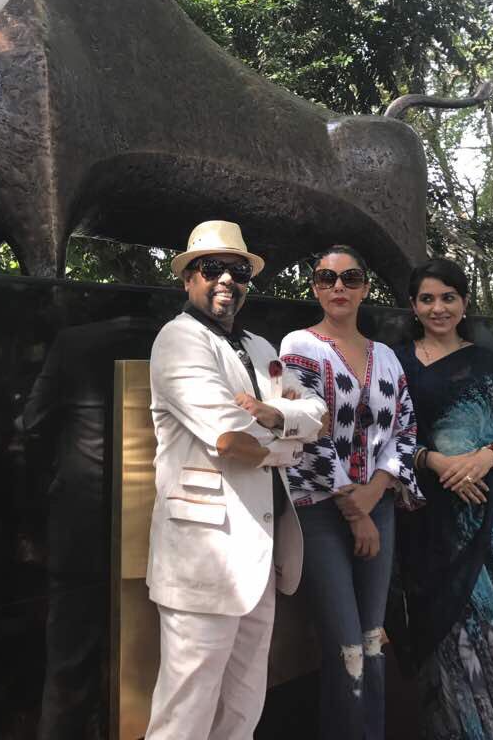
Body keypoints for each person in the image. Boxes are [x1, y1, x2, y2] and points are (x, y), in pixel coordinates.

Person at [145, 220, 327, 740]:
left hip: (259, 555)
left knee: (243, 707)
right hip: (204, 559)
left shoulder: (261, 347)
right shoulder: (178, 340)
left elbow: (318, 414)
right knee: (185, 714)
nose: (227, 279)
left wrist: (273, 415)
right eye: (212, 268)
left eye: (239, 271)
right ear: (188, 278)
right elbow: (230, 440)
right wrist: (291, 441)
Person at [279, 244, 423, 740]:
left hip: (378, 505)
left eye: (350, 278)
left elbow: (405, 429)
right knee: (346, 646)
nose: (338, 287)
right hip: (320, 509)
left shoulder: (387, 358)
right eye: (326, 278)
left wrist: (376, 491)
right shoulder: (300, 346)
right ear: (315, 288)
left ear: (365, 288)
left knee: (372, 639)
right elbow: (305, 431)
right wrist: (353, 507)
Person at [394, 257, 493, 740]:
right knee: (442, 635)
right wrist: (435, 461)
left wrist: (486, 457)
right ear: (413, 306)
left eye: (448, 297)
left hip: (480, 517)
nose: (438, 308)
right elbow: (383, 435)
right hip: (425, 518)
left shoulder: (487, 365)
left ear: (464, 302)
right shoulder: (396, 363)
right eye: (427, 299)